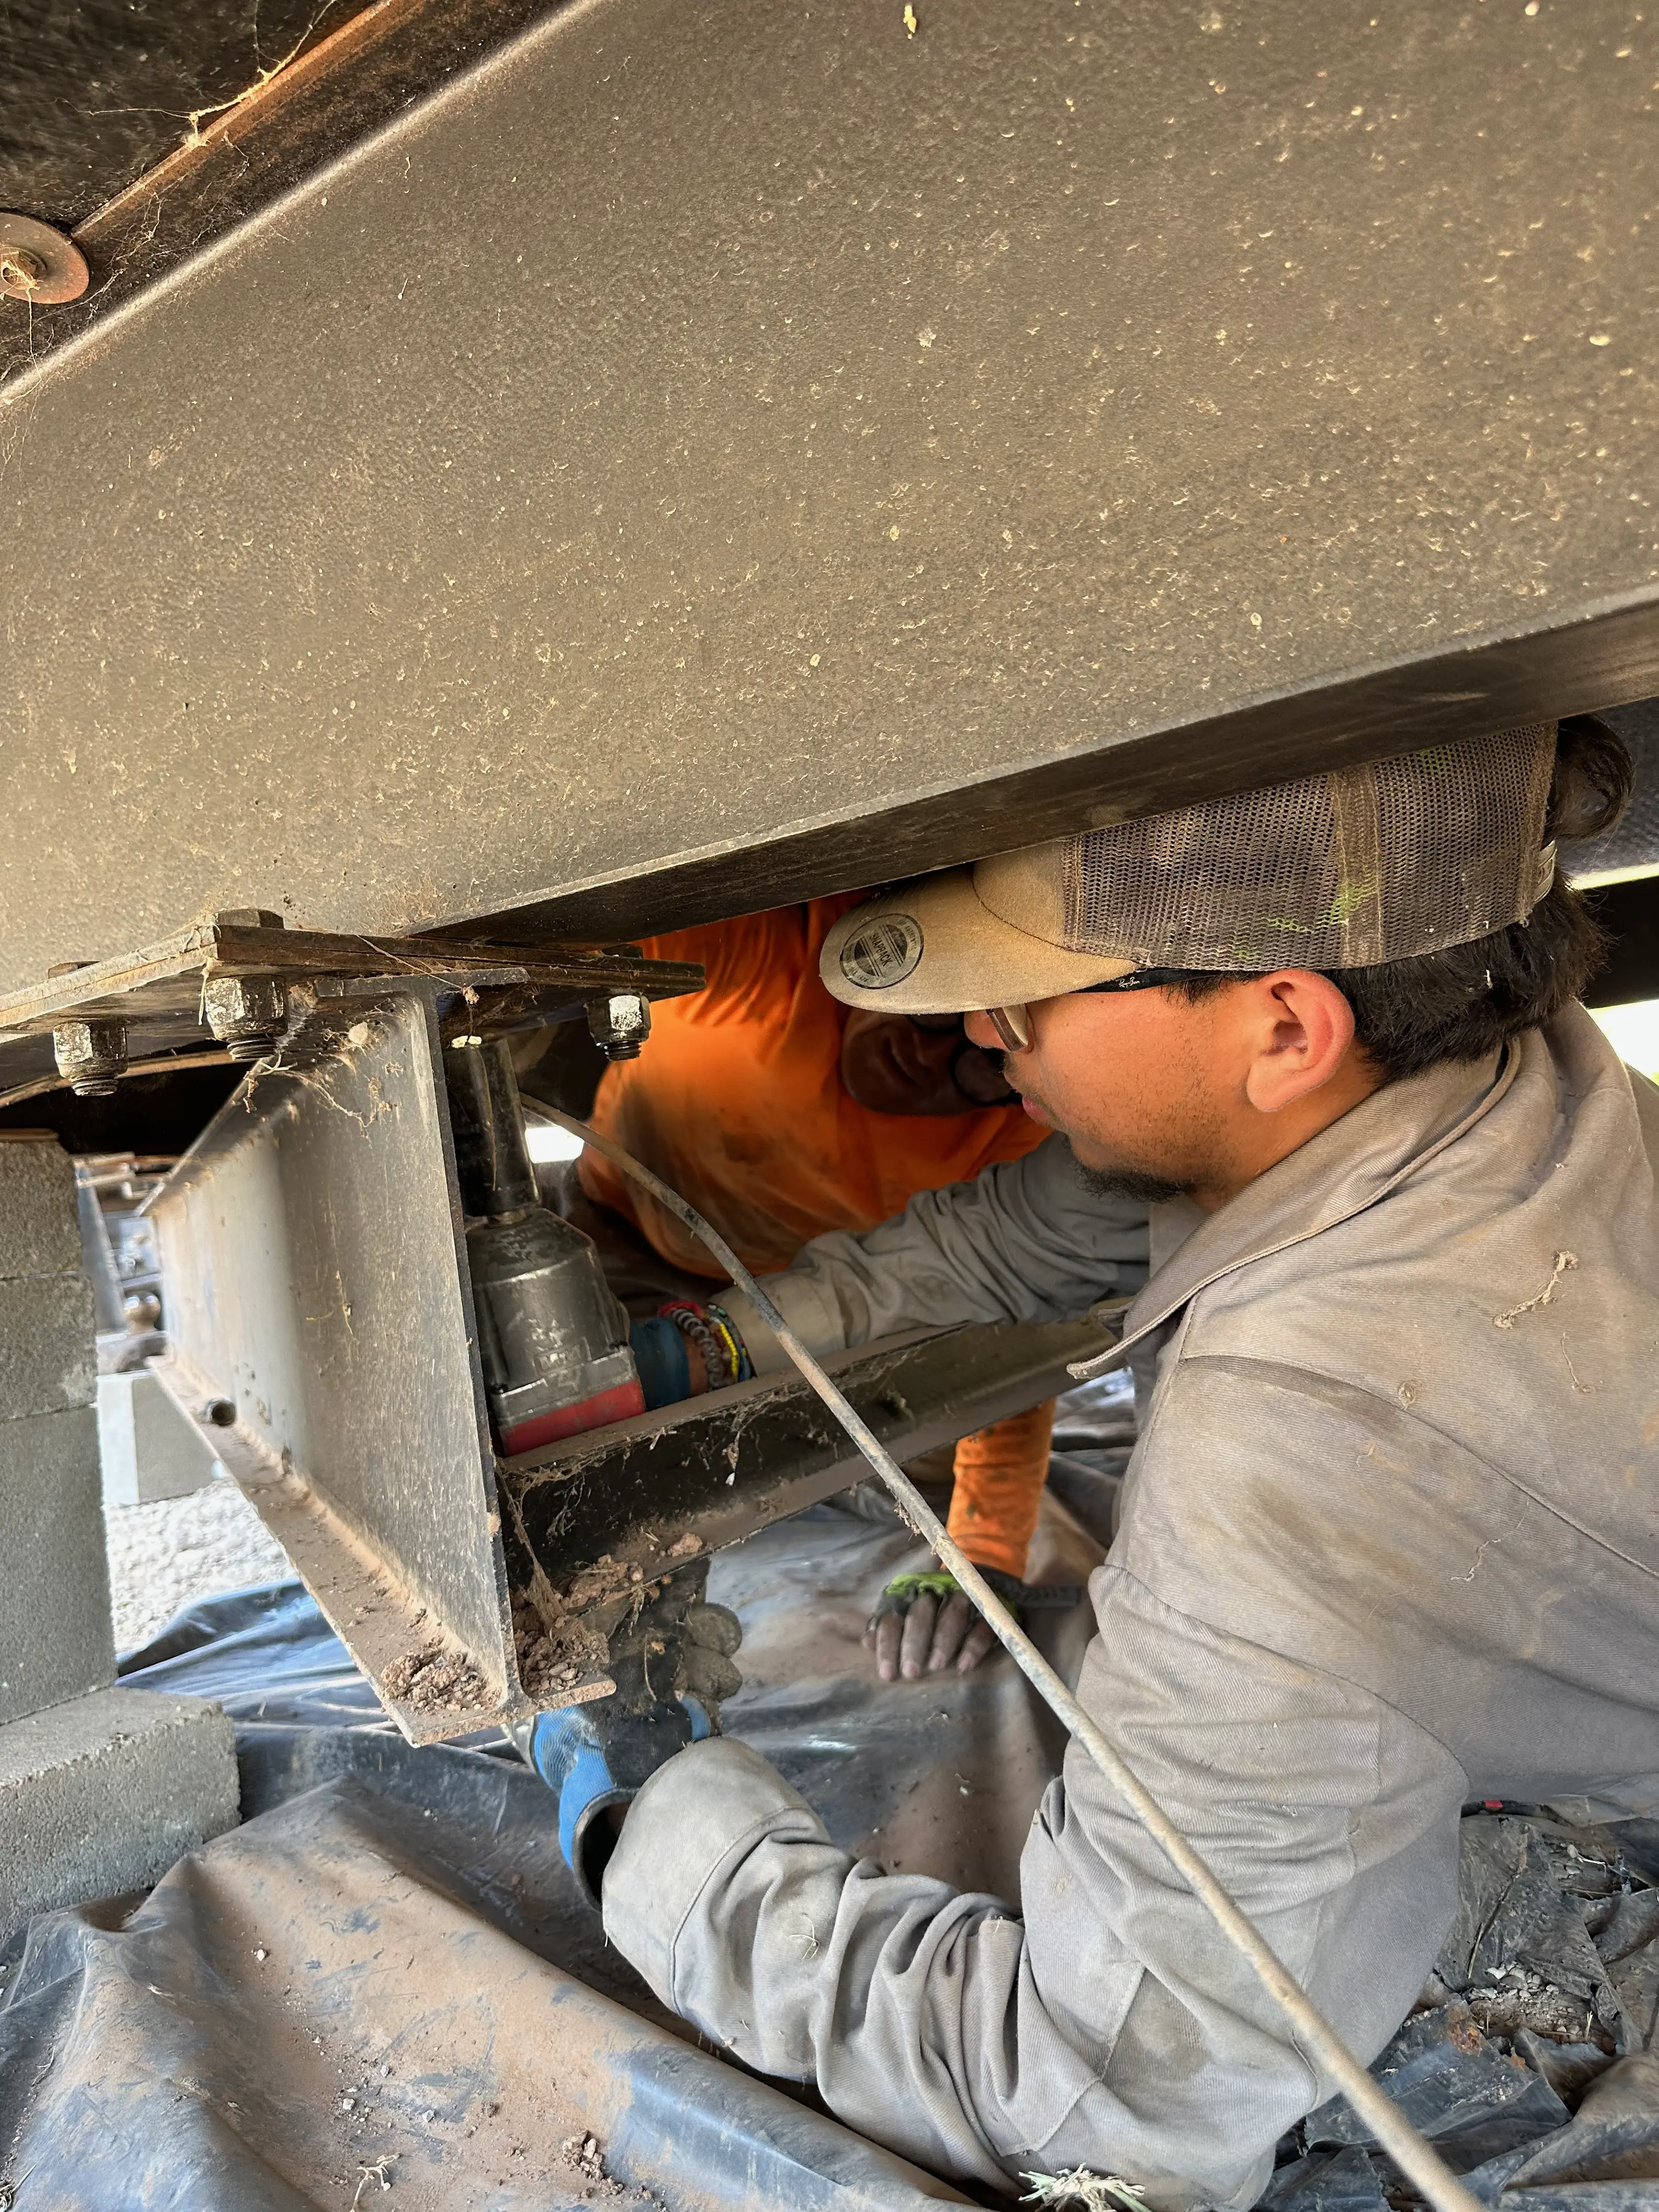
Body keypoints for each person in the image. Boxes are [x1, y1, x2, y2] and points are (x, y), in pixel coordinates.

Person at [527, 716, 1658, 2210]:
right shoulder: (1476, 1085)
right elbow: (1012, 1237)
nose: (984, 1036)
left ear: (1281, 1024)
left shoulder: (1310, 1464)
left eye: (1030, 1001)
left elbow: (1108, 2104)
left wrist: (652, 1813)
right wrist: (717, 1355)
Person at [569, 896, 1088, 1677]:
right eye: (925, 1009)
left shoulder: (1024, 1139)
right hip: (637, 1251)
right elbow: (596, 923)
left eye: (984, 1053)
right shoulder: (772, 955)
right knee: (572, 1469)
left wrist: (982, 1552)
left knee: (935, 1453)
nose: (932, 1052)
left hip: (844, 1315)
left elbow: (1012, 1338)